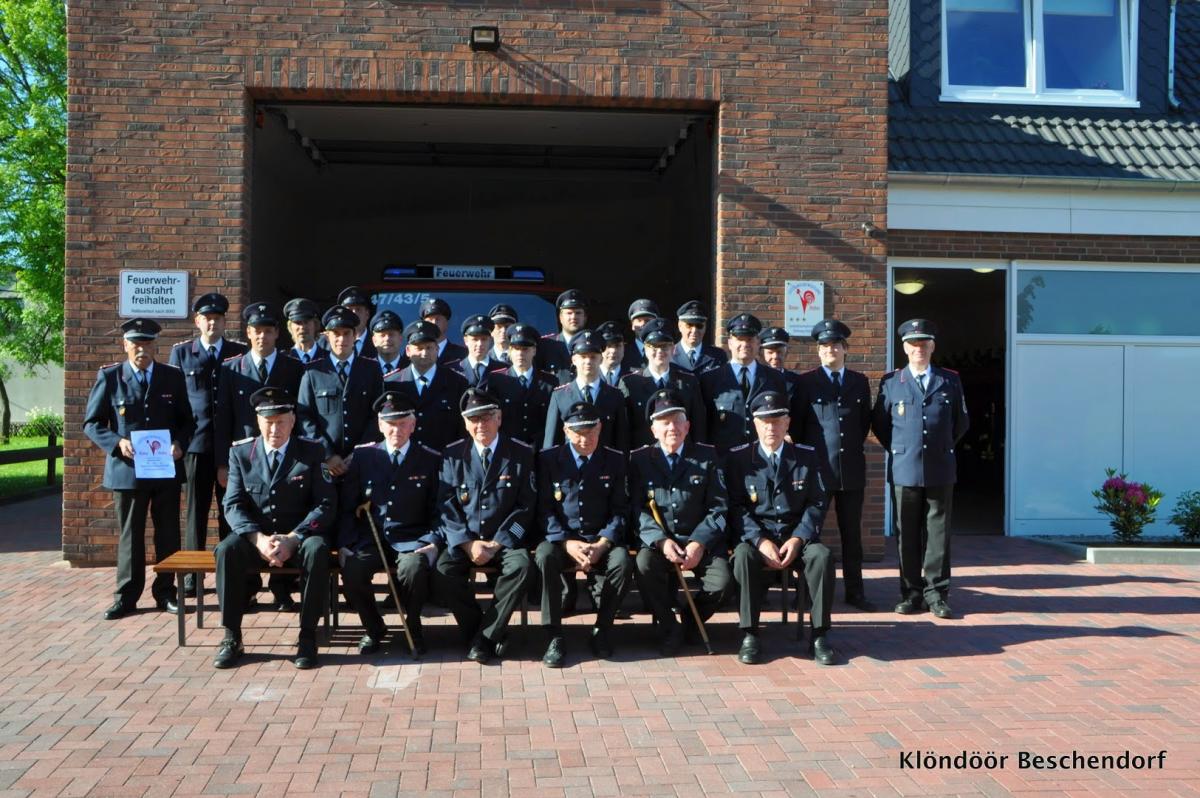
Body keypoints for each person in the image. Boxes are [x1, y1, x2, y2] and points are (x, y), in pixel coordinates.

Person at [213, 387, 335, 670]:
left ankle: (307, 637)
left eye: (281, 421)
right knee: (226, 550)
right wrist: (258, 539)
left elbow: (326, 504)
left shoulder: (312, 451)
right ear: (258, 421)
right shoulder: (241, 453)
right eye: (268, 422)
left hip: (298, 538)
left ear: (292, 421)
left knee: (318, 550)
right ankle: (231, 636)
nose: (274, 429)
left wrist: (294, 538)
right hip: (258, 538)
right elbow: (232, 504)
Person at [84, 318, 194, 620]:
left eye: (147, 343)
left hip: (164, 470)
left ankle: (166, 592)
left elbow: (187, 421)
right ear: (125, 345)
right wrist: (117, 442)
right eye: (136, 344)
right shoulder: (110, 377)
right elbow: (92, 423)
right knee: (130, 536)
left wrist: (180, 443)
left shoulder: (172, 376)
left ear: (155, 346)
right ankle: (126, 596)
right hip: (127, 471)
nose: (141, 349)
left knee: (168, 533)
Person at [726, 391, 836, 666]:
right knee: (742, 557)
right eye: (764, 422)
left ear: (787, 423)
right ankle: (750, 634)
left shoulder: (806, 456)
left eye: (777, 421)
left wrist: (798, 538)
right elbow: (735, 507)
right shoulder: (740, 459)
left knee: (822, 557)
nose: (771, 428)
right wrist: (759, 540)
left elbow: (817, 502)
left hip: (796, 537)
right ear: (755, 424)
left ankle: (819, 635)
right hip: (757, 538)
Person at [872, 319, 969, 619]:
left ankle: (937, 594)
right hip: (904, 469)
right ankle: (911, 593)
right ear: (904, 348)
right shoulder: (891, 382)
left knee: (938, 535)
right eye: (913, 344)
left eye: (924, 344)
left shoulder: (949, 380)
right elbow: (881, 425)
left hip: (940, 467)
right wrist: (903, 450)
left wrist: (939, 447)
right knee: (907, 534)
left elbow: (960, 423)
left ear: (933, 346)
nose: (919, 349)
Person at [212, 302, 306, 610]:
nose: (262, 336)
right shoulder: (231, 368)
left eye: (268, 330)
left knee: (283, 516)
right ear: (248, 333)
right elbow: (223, 419)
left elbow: (300, 416)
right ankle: (247, 588)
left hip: (283, 457)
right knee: (243, 521)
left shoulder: (293, 367)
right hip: (245, 462)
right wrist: (222, 463)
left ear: (277, 333)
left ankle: (282, 588)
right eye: (256, 331)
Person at [433, 388, 536, 664]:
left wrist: (497, 543)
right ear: (465, 423)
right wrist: (467, 543)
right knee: (443, 570)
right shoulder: (453, 454)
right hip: (466, 540)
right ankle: (487, 633)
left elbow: (526, 507)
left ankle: (483, 639)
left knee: (521, 566)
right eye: (474, 419)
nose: (481, 425)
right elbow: (445, 505)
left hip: (504, 541)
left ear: (499, 418)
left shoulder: (520, 453)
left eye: (487, 417)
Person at [337, 391, 442, 656]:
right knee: (352, 571)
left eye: (403, 423)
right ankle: (374, 628)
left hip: (412, 538)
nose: (397, 430)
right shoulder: (363, 457)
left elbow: (439, 508)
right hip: (370, 539)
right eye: (391, 423)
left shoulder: (430, 458)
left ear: (413, 425)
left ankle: (413, 626)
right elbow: (347, 506)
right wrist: (345, 543)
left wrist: (432, 541)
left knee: (414, 570)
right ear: (380, 425)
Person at [630, 389, 730, 656]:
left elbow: (720, 508)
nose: (672, 428)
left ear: (687, 426)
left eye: (677, 421)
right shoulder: (639, 460)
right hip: (660, 542)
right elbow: (635, 510)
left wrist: (699, 542)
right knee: (644, 566)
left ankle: (689, 619)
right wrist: (660, 541)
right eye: (664, 422)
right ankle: (669, 626)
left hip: (700, 542)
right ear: (653, 430)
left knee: (722, 582)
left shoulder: (707, 457)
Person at [534, 402, 632, 668]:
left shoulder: (615, 459)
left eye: (590, 431)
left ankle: (602, 628)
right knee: (544, 556)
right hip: (562, 540)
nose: (584, 438)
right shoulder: (548, 459)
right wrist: (566, 542)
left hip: (600, 540)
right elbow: (543, 509)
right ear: (566, 431)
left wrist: (603, 543)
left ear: (599, 428)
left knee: (622, 562)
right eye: (578, 433)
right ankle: (553, 635)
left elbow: (621, 509)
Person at [169, 293, 247, 596]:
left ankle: (234, 575)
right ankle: (192, 578)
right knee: (195, 514)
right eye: (207, 318)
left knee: (232, 511)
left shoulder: (238, 351)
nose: (212, 323)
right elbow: (175, 403)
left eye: (218, 318)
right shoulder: (181, 353)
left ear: (225, 321)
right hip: (197, 446)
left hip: (231, 447)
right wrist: (176, 439)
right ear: (197, 321)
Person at [796, 319, 875, 611]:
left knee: (852, 536)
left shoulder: (859, 381)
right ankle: (805, 593)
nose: (830, 350)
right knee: (809, 534)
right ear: (818, 351)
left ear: (845, 349)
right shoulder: (806, 382)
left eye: (836, 345)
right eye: (825, 346)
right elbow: (799, 427)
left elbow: (863, 423)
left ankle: (855, 592)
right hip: (817, 472)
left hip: (850, 471)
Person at [297, 305, 385, 478]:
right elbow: (304, 416)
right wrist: (327, 454)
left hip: (362, 462)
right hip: (325, 465)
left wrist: (360, 452)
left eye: (346, 333)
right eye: (336, 334)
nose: (341, 339)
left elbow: (377, 415)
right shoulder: (313, 372)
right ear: (327, 336)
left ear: (355, 335)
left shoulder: (371, 369)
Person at [699, 313, 788, 454]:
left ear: (758, 343)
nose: (745, 344)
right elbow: (703, 426)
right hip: (724, 459)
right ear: (730, 343)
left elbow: (783, 418)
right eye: (739, 339)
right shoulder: (710, 379)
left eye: (750, 339)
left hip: (761, 460)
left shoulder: (775, 378)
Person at [619, 317, 706, 447]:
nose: (659, 351)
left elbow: (698, 427)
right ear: (645, 349)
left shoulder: (688, 382)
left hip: (681, 456)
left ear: (673, 349)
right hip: (642, 456)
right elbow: (623, 430)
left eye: (665, 346)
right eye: (654, 346)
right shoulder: (630, 383)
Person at [384, 320, 470, 452]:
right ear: (408, 351)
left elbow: (463, 427)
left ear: (437, 349)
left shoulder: (456, 382)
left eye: (429, 348)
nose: (424, 353)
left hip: (443, 459)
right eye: (419, 348)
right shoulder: (391, 383)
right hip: (405, 458)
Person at [543, 330, 630, 452]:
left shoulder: (615, 396)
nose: (588, 361)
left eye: (593, 357)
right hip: (570, 463)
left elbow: (621, 443)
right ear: (574, 360)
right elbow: (551, 446)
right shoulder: (560, 396)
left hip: (605, 463)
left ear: (601, 359)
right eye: (583, 357)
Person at [485, 322, 558, 447]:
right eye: (516, 349)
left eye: (525, 349)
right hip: (507, 449)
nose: (520, 354)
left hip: (539, 449)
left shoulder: (550, 382)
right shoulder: (497, 380)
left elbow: (552, 422)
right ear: (509, 351)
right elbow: (492, 419)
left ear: (534, 351)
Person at [537, 289, 588, 383]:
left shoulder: (595, 344)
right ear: (560, 317)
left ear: (585, 317)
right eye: (569, 313)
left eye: (578, 313)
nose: (573, 317)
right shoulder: (546, 345)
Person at [672, 300, 728, 374]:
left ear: (705, 327)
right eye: (689, 325)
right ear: (680, 326)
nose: (694, 330)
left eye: (699, 326)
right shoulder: (669, 355)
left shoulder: (718, 356)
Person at [449, 314, 504, 387]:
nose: (480, 344)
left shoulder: (503, 369)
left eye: (484, 339)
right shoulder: (452, 369)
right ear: (466, 340)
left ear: (490, 340)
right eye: (475, 339)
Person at [418, 297, 468, 365]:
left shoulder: (463, 354)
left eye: (438, 319)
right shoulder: (414, 354)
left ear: (446, 323)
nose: (434, 323)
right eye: (430, 320)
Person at [334, 285, 378, 359]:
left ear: (367, 314)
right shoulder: (328, 343)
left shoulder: (379, 342)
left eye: (358, 309)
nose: (354, 313)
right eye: (349, 310)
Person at [620, 298, 658, 372]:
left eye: (647, 320)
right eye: (639, 320)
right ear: (632, 325)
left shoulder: (666, 350)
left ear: (656, 323)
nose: (643, 324)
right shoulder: (623, 353)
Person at [283, 298, 323, 364]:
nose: (302, 327)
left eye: (306, 322)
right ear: (290, 327)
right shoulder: (282, 360)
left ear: (315, 325)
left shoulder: (329, 358)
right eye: (297, 323)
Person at [370, 309, 406, 376]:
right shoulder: (364, 369)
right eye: (382, 335)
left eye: (391, 334)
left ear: (400, 338)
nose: (387, 339)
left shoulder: (411, 368)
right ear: (374, 340)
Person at [595, 321, 628, 388]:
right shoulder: (589, 376)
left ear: (624, 347)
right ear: (599, 348)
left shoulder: (633, 377)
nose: (613, 350)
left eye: (617, 346)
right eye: (608, 346)